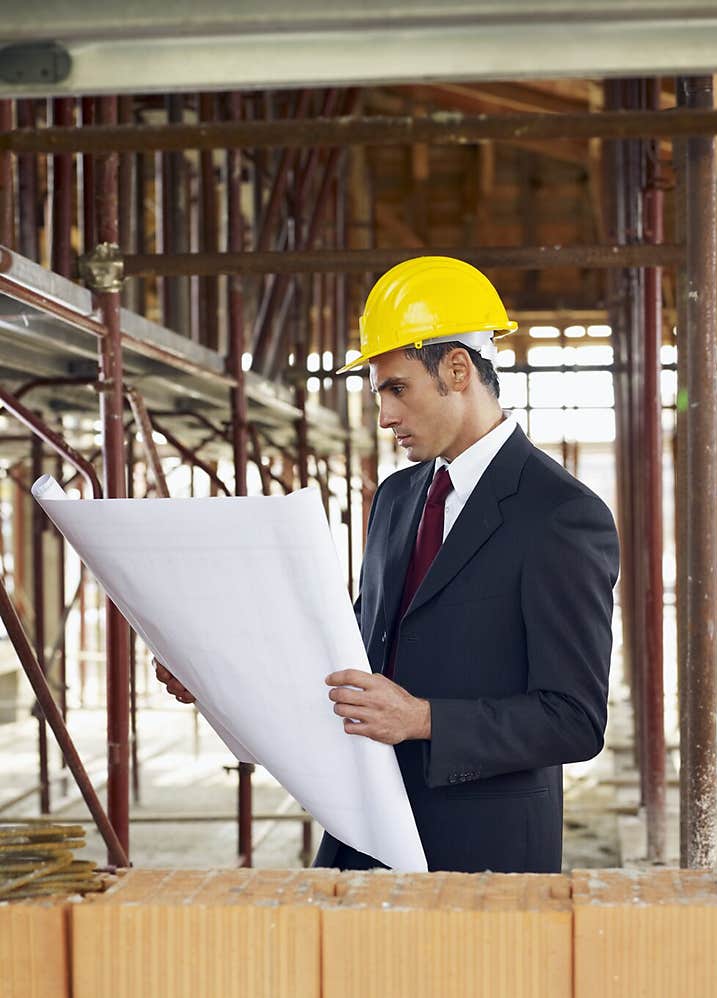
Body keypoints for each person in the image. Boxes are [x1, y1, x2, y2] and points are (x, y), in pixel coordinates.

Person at [156, 257, 619, 873]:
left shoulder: (558, 514)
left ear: (457, 369)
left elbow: (574, 720)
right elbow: (351, 655)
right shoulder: (400, 499)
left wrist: (424, 720)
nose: (385, 417)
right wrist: (222, 677)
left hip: (482, 848)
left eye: (396, 388)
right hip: (364, 825)